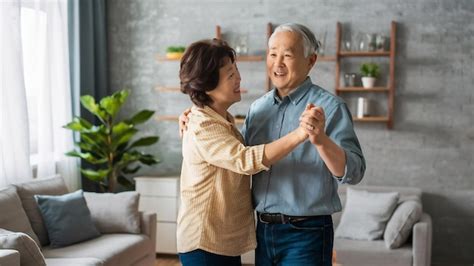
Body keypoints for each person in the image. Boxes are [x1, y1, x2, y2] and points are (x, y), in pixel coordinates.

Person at [180, 23, 366, 266]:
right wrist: (193, 115)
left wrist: (320, 141)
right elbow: (240, 157)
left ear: (311, 61)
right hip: (264, 232)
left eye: (287, 55)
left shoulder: (330, 108)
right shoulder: (258, 109)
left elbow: (354, 172)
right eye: (272, 54)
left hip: (307, 233)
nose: (277, 63)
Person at [176, 38, 311, 266]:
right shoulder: (203, 126)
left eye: (236, 71)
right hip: (205, 242)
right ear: (208, 86)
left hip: (220, 241)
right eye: (231, 75)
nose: (239, 79)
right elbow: (244, 159)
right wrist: (300, 134)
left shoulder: (218, 119)